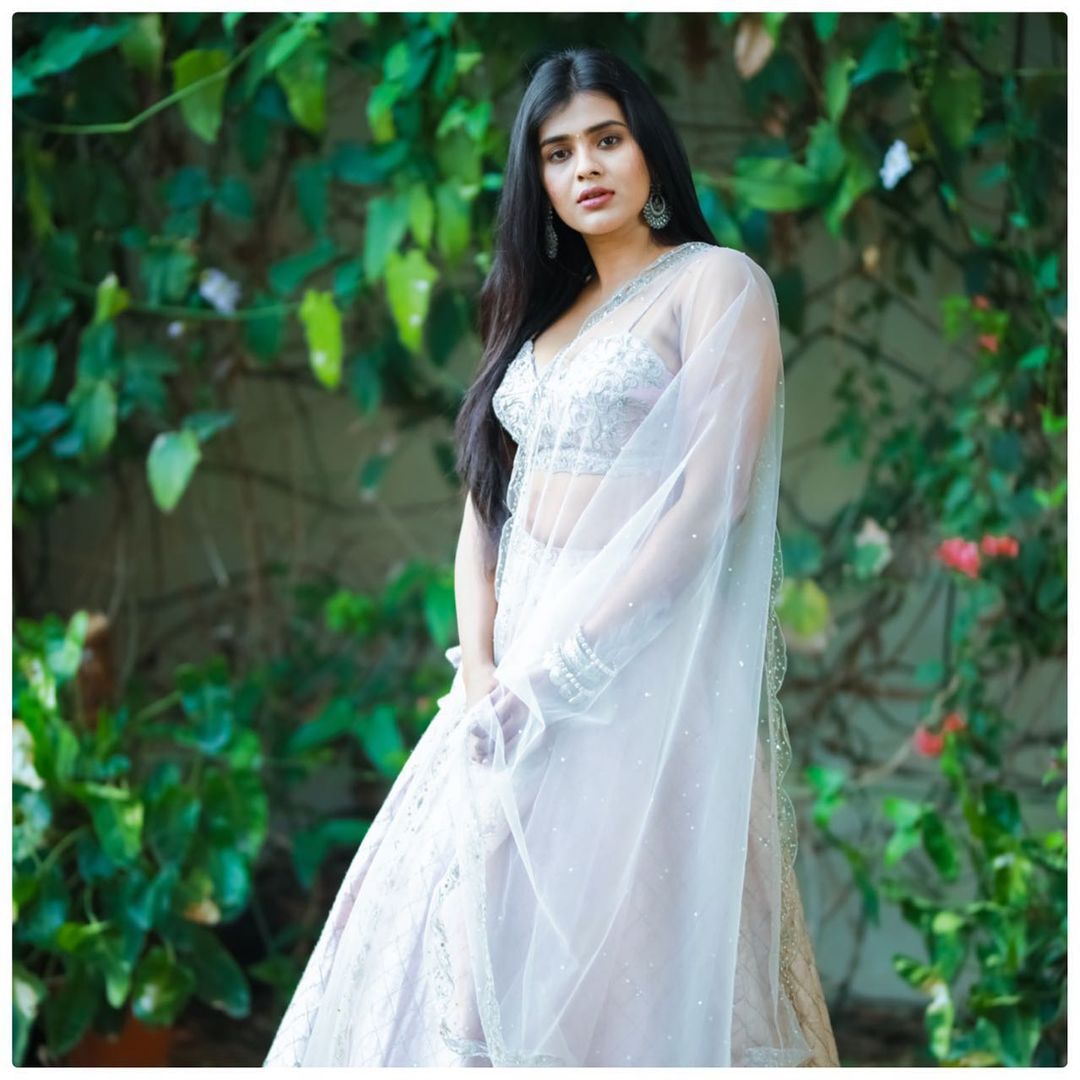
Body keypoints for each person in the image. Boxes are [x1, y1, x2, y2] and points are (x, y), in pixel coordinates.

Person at [263, 45, 839, 1068]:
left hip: (637, 687)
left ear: (650, 149)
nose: (586, 168)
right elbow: (486, 516)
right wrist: (487, 681)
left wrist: (567, 671)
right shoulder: (536, 325)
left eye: (607, 139)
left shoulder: (713, 286)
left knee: (623, 958)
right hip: (501, 698)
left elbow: (709, 501)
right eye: (557, 151)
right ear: (535, 179)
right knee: (466, 948)